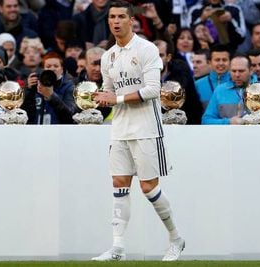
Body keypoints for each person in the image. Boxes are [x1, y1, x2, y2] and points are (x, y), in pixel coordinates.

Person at [91, 0, 185, 261]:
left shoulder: (147, 49)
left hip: (146, 127)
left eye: (122, 16)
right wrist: (99, 97)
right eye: (112, 17)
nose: (116, 21)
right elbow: (109, 91)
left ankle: (176, 238)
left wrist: (117, 100)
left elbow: (154, 90)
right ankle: (118, 247)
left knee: (148, 187)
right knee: (119, 184)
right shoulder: (107, 56)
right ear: (108, 21)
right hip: (119, 128)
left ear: (132, 20)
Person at [202, 54, 260, 124]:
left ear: (250, 70)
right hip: (227, 136)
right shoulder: (220, 91)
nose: (237, 75)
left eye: (241, 71)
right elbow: (206, 120)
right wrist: (228, 122)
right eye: (233, 71)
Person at [154, 39, 203, 124]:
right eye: (153, 56)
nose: (156, 59)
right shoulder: (143, 75)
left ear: (168, 57)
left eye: (160, 55)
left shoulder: (180, 71)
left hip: (187, 125)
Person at [21, 51, 76, 124]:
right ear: (43, 69)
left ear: (62, 70)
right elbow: (24, 114)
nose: (52, 69)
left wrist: (51, 96)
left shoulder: (69, 87)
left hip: (59, 132)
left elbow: (70, 115)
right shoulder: (37, 85)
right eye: (48, 66)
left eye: (56, 66)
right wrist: (28, 89)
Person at [195, 44, 231, 110]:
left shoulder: (237, 83)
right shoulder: (197, 85)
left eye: (224, 60)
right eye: (217, 60)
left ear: (230, 62)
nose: (221, 63)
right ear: (209, 62)